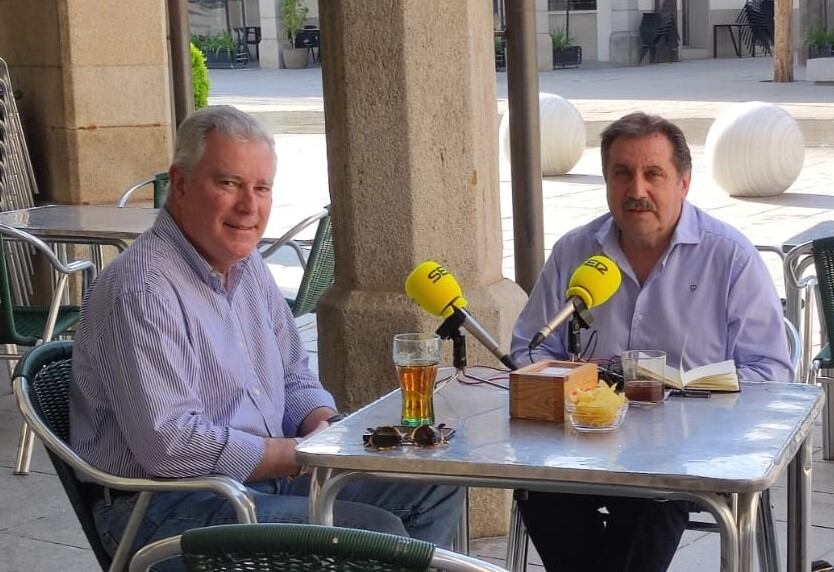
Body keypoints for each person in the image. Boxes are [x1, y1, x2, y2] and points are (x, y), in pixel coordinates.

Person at [70, 105, 463, 566]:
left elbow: (294, 376)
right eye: (229, 184)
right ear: (179, 184)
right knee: (374, 536)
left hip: (262, 480)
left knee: (434, 481)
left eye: (261, 188)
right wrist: (298, 455)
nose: (249, 207)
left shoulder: (249, 267)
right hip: (167, 508)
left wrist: (320, 423)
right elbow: (170, 446)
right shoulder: (142, 290)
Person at [509, 112, 792, 572]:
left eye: (652, 174)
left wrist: (676, 385)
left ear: (683, 182)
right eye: (622, 174)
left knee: (653, 494)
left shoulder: (730, 257)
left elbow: (770, 373)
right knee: (539, 489)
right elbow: (530, 349)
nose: (636, 190)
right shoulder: (574, 253)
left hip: (690, 450)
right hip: (586, 440)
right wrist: (577, 386)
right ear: (606, 180)